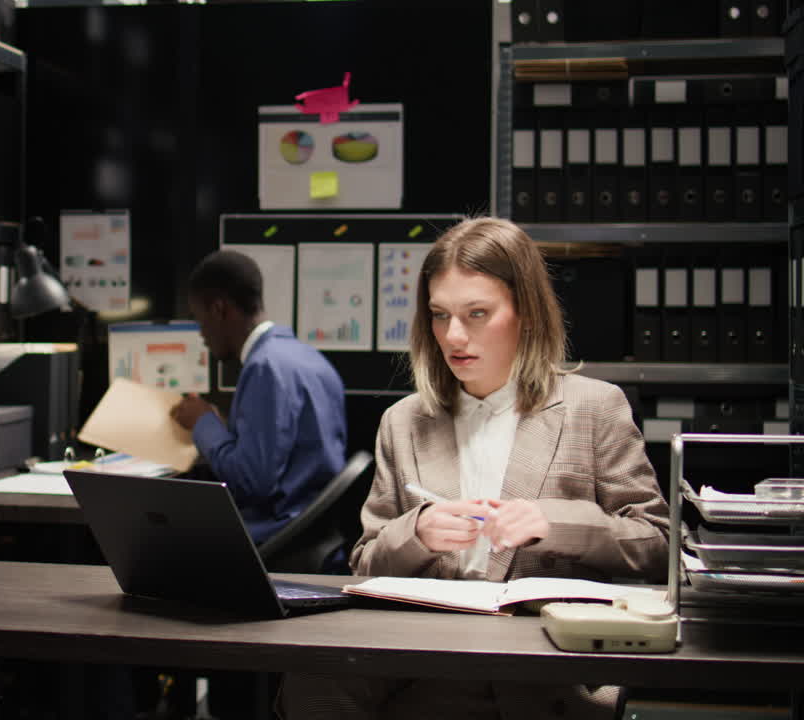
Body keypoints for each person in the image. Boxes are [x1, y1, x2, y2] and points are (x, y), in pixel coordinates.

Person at [280, 217, 670, 720]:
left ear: (526, 313)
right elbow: (365, 563)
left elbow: (658, 544)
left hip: (544, 656)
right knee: (309, 675)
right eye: (440, 316)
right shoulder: (403, 421)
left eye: (477, 313)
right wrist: (416, 532)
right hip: (426, 657)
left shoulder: (593, 408)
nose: (454, 336)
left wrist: (555, 523)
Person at [170, 248, 348, 547]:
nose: (202, 335)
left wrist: (204, 422)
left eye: (200, 321)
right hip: (313, 534)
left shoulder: (264, 366)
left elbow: (249, 483)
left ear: (218, 309)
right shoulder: (307, 357)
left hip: (275, 537)